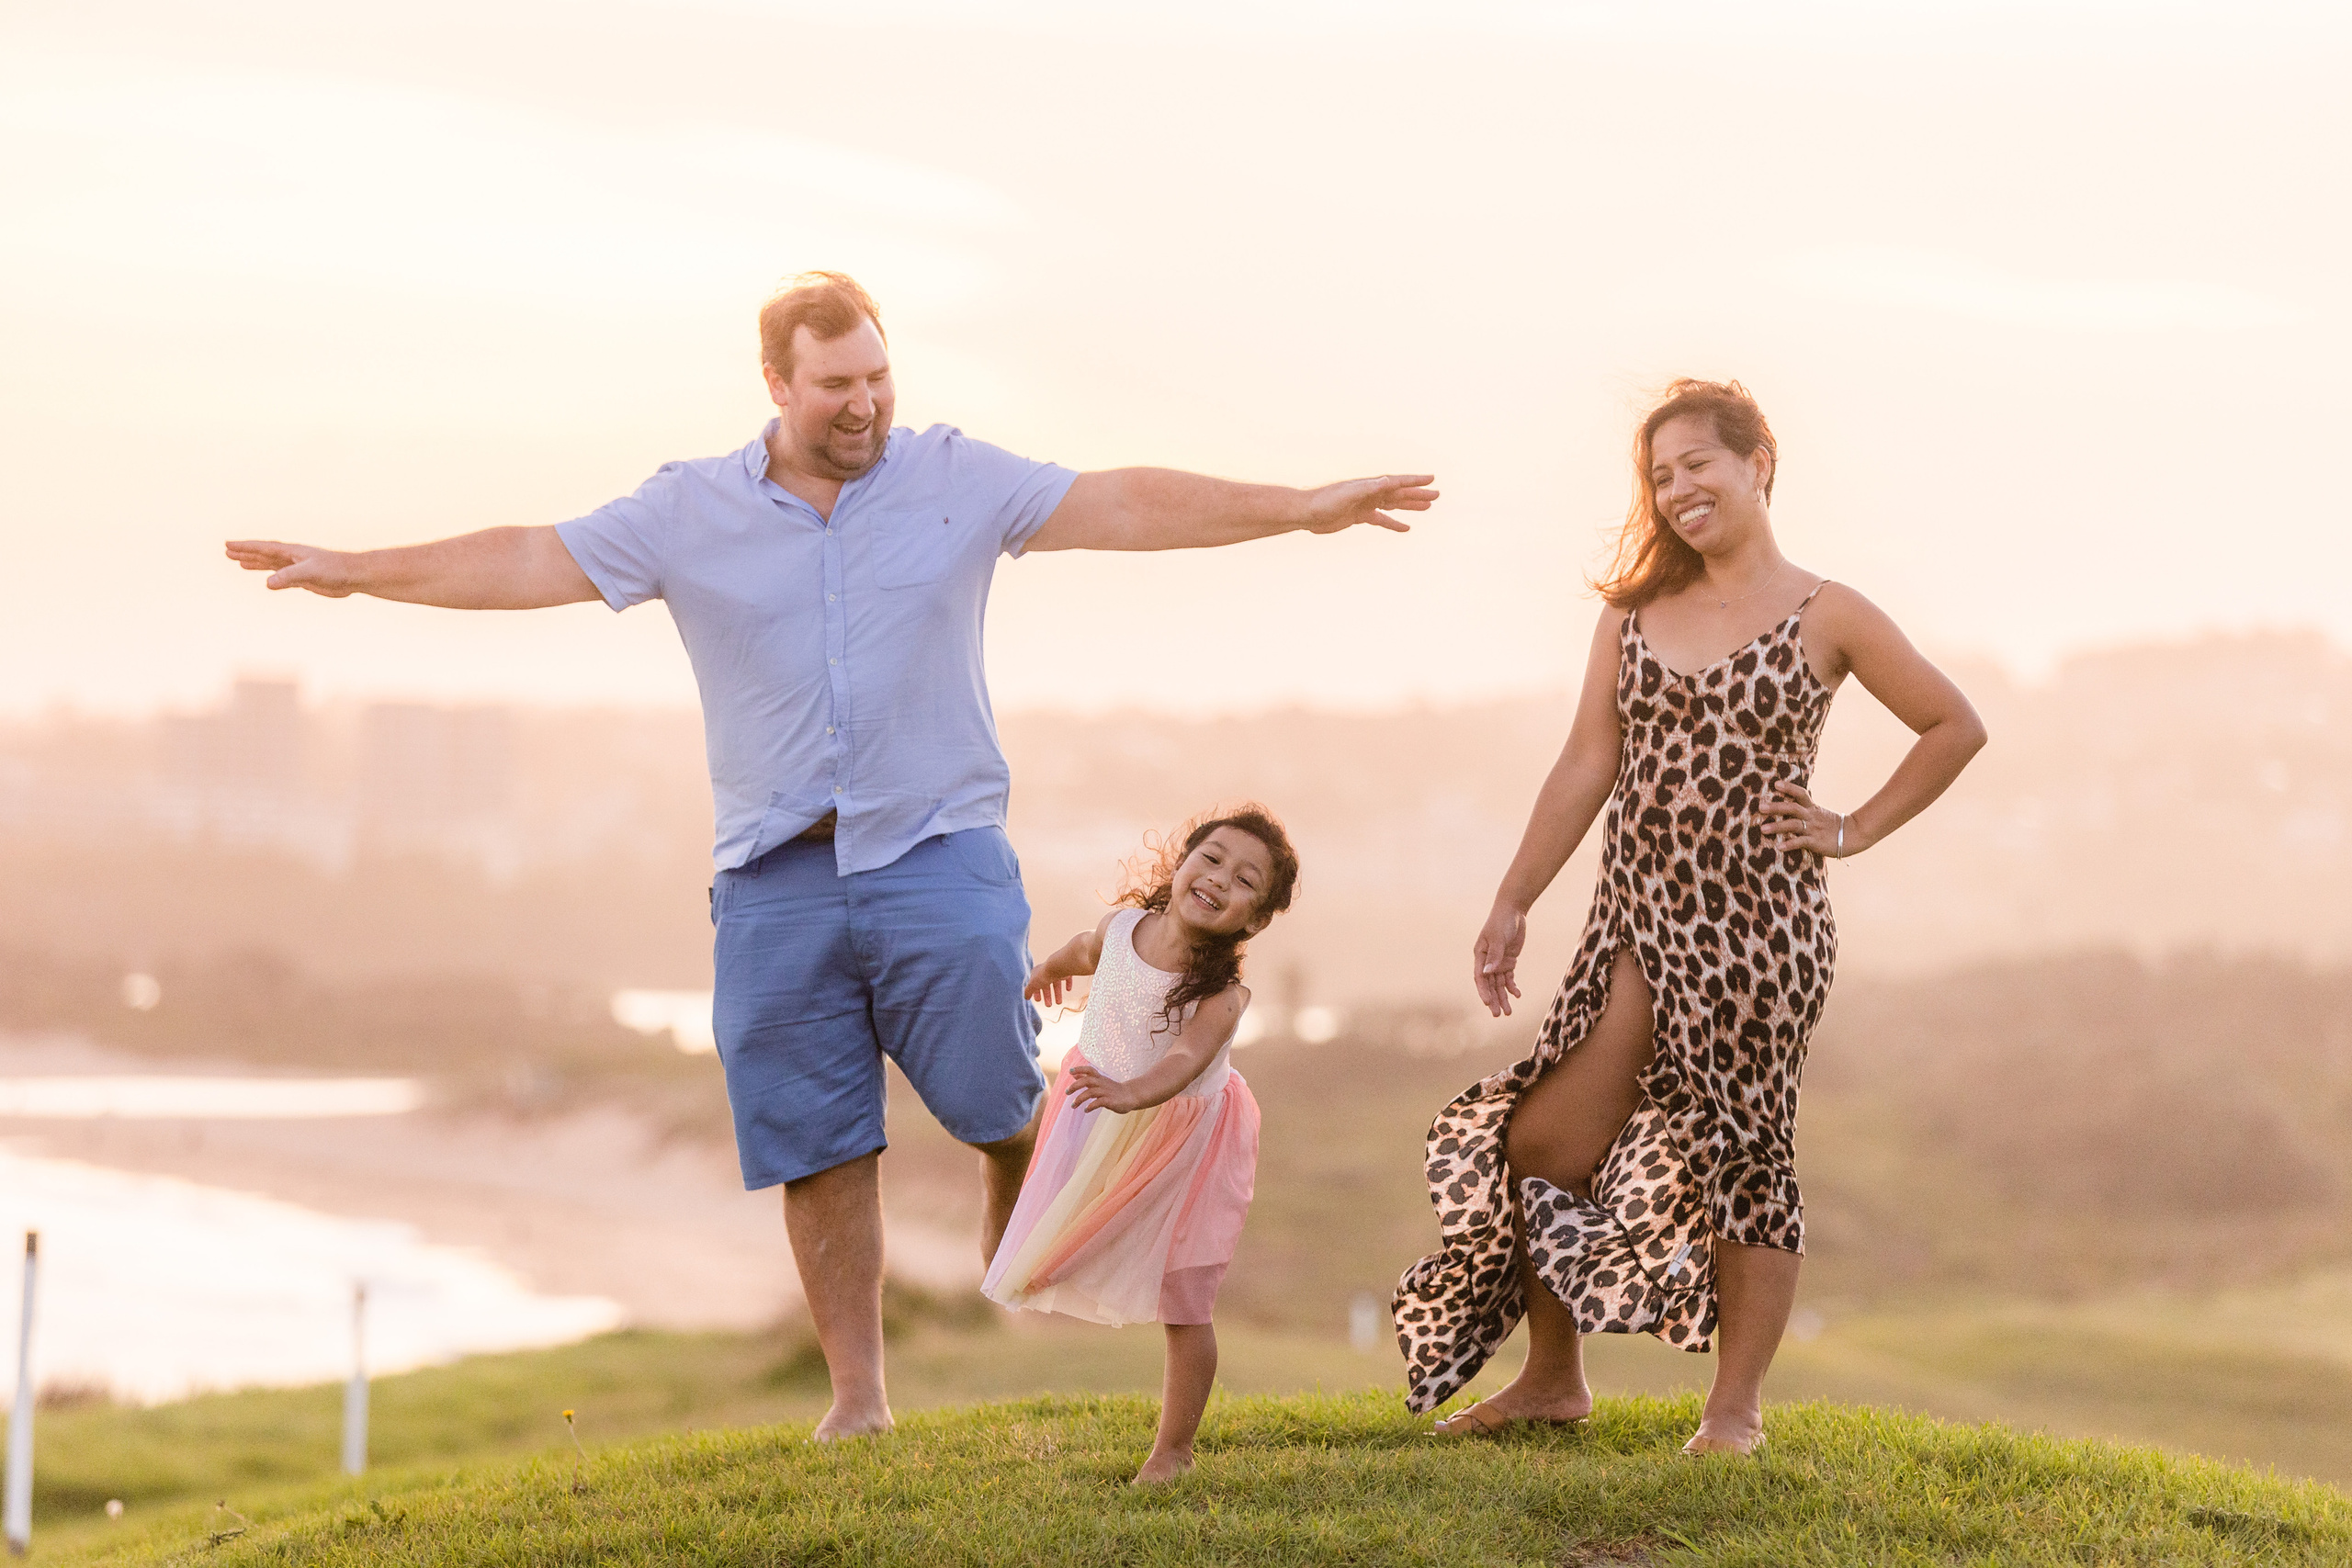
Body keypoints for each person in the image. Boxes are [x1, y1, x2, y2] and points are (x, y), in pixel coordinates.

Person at [223, 272, 1435, 1443]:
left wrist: (1299, 504)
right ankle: (859, 1393)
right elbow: (532, 557)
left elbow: (1121, 503)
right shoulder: (686, 509)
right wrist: (360, 572)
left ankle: (1013, 1151)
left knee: (994, 1099)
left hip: (938, 854)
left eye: (878, 374)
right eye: (835, 383)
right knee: (817, 1135)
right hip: (773, 872)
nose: (864, 403)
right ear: (775, 381)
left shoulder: (956, 476)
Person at [1392, 378, 1984, 1454]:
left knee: (1747, 1153)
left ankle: (1734, 1410)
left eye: (1696, 465)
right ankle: (1553, 1380)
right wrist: (1513, 897)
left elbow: (1953, 725)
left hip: (1763, 933)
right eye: (1659, 477)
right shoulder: (1630, 614)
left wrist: (1848, 828)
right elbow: (1586, 762)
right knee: (1541, 1139)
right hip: (1636, 917)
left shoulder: (1830, 611)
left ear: (1759, 462)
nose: (1676, 491)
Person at [984, 808, 1296, 1484]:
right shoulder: (1123, 928)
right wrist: (1045, 973)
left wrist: (1134, 1092)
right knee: (1069, 1231)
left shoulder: (1223, 994)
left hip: (1186, 1141)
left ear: (1255, 918)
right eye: (1210, 859)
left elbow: (1186, 1057)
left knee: (1187, 1295)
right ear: (1180, 862)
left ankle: (1173, 1448)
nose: (1217, 879)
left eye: (1244, 880)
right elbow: (1082, 949)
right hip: (1103, 1116)